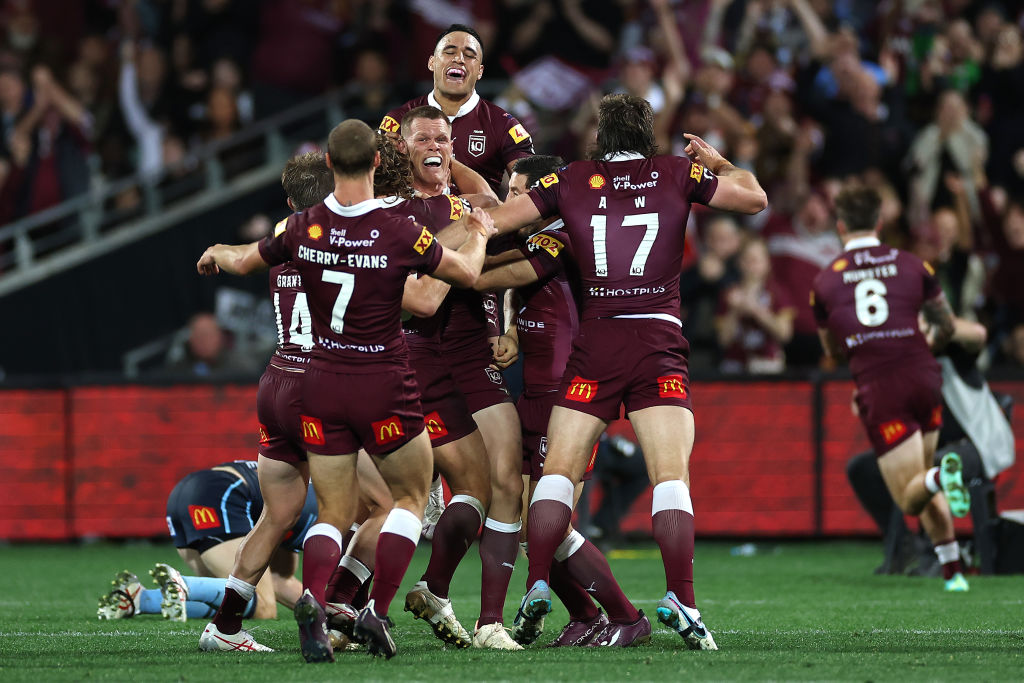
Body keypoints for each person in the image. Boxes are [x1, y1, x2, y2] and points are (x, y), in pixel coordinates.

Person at [196, 119, 495, 661]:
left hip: (316, 382)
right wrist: (478, 233)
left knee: (329, 512)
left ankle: (311, 599)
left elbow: (243, 260)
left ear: (329, 163)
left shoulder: (300, 229)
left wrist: (217, 249)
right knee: (407, 499)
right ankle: (375, 611)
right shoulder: (398, 227)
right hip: (381, 379)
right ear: (380, 164)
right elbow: (462, 278)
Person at [488, 93, 768, 649]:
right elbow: (754, 198)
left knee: (557, 475)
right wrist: (719, 164)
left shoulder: (570, 179)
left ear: (600, 135)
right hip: (658, 342)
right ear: (649, 134)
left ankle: (539, 583)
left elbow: (496, 221)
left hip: (596, 342)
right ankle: (682, 601)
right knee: (670, 476)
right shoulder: (677, 171)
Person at [383, 28, 536, 639]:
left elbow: (514, 213)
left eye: (471, 52)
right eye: (450, 49)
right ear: (430, 61)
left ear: (480, 71)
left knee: (500, 480)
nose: (460, 58)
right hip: (405, 339)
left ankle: (468, 607)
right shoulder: (392, 124)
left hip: (473, 328)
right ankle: (348, 604)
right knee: (381, 499)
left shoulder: (505, 128)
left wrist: (509, 317)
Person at [473, 154, 635, 648]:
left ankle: (626, 616)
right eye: (509, 192)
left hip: (571, 399)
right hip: (533, 395)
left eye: (520, 194)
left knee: (553, 524)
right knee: (529, 529)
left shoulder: (568, 231)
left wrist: (437, 267)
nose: (512, 203)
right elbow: (540, 297)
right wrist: (516, 332)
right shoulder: (535, 236)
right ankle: (585, 615)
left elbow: (510, 274)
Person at [811, 186, 971, 592]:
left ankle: (940, 478)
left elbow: (832, 349)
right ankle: (953, 571)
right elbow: (948, 327)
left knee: (910, 495)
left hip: (882, 386)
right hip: (925, 375)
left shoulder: (826, 282)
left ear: (841, 225)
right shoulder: (913, 264)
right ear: (880, 223)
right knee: (921, 474)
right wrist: (918, 346)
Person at [96, 460, 317, 624]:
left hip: (191, 491)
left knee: (232, 603)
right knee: (262, 605)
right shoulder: (331, 517)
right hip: (223, 494)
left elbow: (280, 580)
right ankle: (184, 585)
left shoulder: (304, 498)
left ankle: (139, 599)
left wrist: (330, 618)